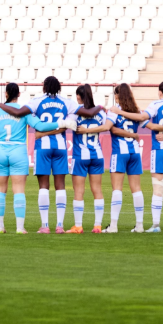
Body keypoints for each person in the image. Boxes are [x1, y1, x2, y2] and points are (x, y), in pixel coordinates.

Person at [0, 75, 90, 233]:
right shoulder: (67, 102)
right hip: (61, 146)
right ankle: (59, 225)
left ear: (44, 87)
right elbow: (80, 116)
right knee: (60, 186)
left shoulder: (37, 101)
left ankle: (45, 226)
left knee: (43, 186)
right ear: (59, 87)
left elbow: (21, 114)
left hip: (42, 148)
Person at [0, 82, 62, 233]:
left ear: (6, 94)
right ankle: (20, 227)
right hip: (18, 151)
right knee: (19, 190)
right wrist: (60, 123)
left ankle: (0, 227)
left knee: (0, 189)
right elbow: (40, 126)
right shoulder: (25, 112)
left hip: (0, 149)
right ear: (18, 94)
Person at [114, 81, 163, 233]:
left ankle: (156, 225)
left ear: (160, 92)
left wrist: (120, 112)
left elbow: (143, 118)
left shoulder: (156, 105)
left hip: (160, 150)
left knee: (158, 188)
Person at [68, 84, 113, 233]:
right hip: (97, 155)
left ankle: (78, 226)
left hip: (80, 155)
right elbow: (106, 127)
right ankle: (97, 225)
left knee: (79, 191)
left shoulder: (75, 114)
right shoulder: (100, 114)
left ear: (79, 97)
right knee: (97, 190)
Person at [106, 83, 147, 233]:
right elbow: (145, 122)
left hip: (120, 152)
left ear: (117, 95)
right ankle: (140, 225)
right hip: (135, 152)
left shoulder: (114, 110)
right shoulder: (137, 111)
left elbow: (111, 128)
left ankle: (114, 225)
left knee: (117, 188)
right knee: (136, 189)